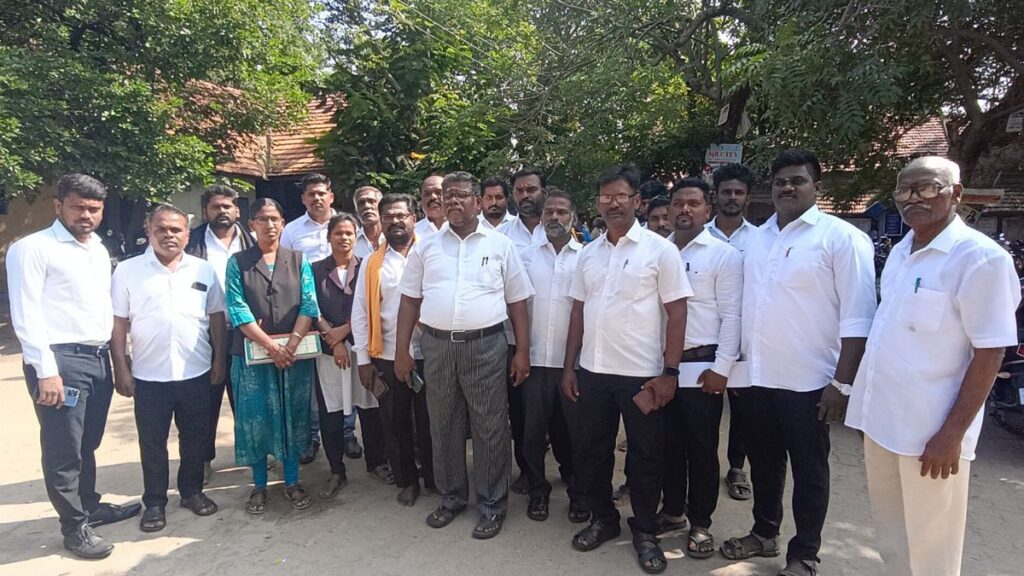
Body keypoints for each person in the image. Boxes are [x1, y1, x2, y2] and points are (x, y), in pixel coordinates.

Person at [846, 157, 1021, 576]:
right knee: (893, 538)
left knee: (932, 549)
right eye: (905, 191)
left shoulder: (980, 259)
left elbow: (990, 353)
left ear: (955, 193)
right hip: (883, 424)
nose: (913, 199)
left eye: (927, 188)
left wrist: (951, 434)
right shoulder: (901, 252)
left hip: (932, 434)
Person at [721, 150, 876, 576]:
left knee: (810, 471)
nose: (787, 188)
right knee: (764, 464)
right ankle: (764, 533)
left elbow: (859, 317)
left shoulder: (841, 239)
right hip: (756, 379)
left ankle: (804, 553)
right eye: (780, 182)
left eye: (797, 180)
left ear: (816, 187)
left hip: (811, 383)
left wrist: (841, 385)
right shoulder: (757, 239)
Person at [563, 165, 690, 575]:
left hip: (641, 375)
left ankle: (646, 530)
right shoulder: (588, 253)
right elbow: (578, 312)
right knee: (592, 451)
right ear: (597, 203)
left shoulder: (660, 251)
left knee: (646, 457)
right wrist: (569, 367)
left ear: (637, 201)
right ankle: (604, 518)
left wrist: (670, 373)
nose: (613, 203)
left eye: (621, 196)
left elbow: (677, 313)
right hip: (593, 371)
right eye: (606, 197)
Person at [7, 173, 142, 559]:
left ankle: (90, 506)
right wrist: (46, 370)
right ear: (58, 206)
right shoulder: (33, 248)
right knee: (64, 446)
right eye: (78, 207)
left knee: (88, 441)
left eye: (93, 209)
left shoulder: (97, 249)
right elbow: (26, 313)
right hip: (60, 361)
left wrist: (118, 360)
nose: (86, 215)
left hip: (96, 359)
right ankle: (74, 527)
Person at [395, 171, 533, 540]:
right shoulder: (426, 247)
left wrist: (522, 351)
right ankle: (452, 497)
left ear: (476, 201)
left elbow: (518, 302)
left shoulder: (500, 245)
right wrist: (402, 351)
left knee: (490, 427)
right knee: (443, 424)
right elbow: (409, 301)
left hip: (486, 347)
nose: (453, 201)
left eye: (460, 195)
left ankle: (492, 504)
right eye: (447, 195)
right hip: (437, 347)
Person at [110, 204, 226, 532]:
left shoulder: (203, 270)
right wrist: (121, 367)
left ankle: (191, 492)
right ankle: (155, 503)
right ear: (148, 231)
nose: (168, 235)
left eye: (176, 229)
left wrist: (219, 359)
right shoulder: (128, 271)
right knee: (152, 443)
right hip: (149, 376)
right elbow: (118, 322)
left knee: (195, 438)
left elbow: (217, 315)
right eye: (161, 229)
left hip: (196, 372)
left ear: (187, 235)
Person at [659, 178, 742, 558]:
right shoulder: (658, 251)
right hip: (662, 366)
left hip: (702, 366)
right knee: (668, 445)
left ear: (707, 210)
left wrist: (722, 367)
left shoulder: (723, 255)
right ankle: (673, 511)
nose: (685, 210)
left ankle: (701, 523)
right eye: (678, 203)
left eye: (693, 203)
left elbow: (732, 315)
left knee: (702, 449)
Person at [225, 198, 320, 515]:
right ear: (251, 224)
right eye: (262, 219)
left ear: (283, 223)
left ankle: (292, 481)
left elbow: (309, 303)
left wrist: (290, 344)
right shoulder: (238, 262)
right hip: (252, 358)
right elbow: (237, 308)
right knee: (256, 420)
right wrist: (271, 346)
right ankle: (259, 485)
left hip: (293, 356)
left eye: (275, 219)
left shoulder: (298, 259)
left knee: (293, 416)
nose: (269, 225)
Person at [353, 193, 436, 506]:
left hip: (431, 353)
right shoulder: (372, 264)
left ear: (413, 218)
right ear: (381, 221)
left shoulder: (431, 253)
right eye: (388, 216)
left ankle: (435, 478)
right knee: (395, 422)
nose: (395, 221)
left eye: (401, 215)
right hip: (387, 354)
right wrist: (363, 360)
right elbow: (360, 313)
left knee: (432, 421)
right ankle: (407, 480)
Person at [312, 213, 393, 502]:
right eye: (338, 233)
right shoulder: (314, 270)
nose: (344, 238)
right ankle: (336, 469)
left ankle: (376, 461)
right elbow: (310, 306)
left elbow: (371, 305)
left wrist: (345, 331)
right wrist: (333, 340)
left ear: (355, 236)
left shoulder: (368, 266)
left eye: (349, 233)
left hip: (362, 347)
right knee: (330, 411)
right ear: (328, 237)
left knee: (370, 407)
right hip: (328, 351)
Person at [518, 189, 586, 523]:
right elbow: (515, 306)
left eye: (561, 212)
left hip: (574, 364)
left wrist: (575, 364)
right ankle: (537, 492)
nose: (554, 217)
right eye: (549, 212)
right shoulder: (525, 257)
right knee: (531, 433)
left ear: (573, 217)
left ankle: (579, 493)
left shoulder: (586, 258)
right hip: (533, 361)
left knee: (576, 433)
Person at [184, 184, 255, 485]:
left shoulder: (252, 242)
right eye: (215, 206)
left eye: (227, 206)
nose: (222, 211)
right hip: (205, 334)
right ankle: (203, 459)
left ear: (237, 210)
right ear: (206, 211)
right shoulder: (191, 243)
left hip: (246, 332)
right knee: (206, 399)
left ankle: (254, 453)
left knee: (248, 396)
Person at [705, 163, 758, 501]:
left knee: (742, 408)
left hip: (745, 335)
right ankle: (701, 468)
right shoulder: (698, 235)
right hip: (704, 337)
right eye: (726, 192)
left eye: (739, 192)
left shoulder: (761, 240)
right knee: (704, 411)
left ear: (747, 198)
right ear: (715, 196)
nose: (732, 197)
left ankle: (737, 467)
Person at [280, 173, 338, 464]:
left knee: (342, 374)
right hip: (304, 315)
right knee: (311, 380)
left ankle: (347, 433)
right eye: (311, 194)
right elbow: (285, 270)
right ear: (303, 199)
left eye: (321, 193)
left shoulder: (345, 225)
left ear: (331, 196)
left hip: (340, 315)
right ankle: (311, 436)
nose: (316, 198)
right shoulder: (291, 231)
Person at [497, 167, 548, 495]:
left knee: (558, 414)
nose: (525, 195)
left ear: (543, 191)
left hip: (555, 340)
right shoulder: (502, 237)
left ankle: (569, 471)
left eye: (531, 189)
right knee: (521, 413)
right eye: (519, 190)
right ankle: (528, 472)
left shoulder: (559, 228)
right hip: (513, 341)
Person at [354, 185, 384, 258]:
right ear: (356, 212)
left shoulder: (394, 238)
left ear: (382, 207)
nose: (366, 206)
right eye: (361, 203)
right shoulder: (351, 242)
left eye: (371, 201)